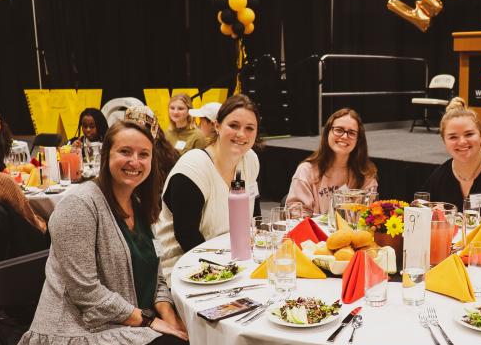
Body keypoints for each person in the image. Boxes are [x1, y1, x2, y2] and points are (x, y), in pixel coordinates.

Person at [14, 120, 192, 345]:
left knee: (190, 343)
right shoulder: (80, 204)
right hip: (73, 343)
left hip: (120, 328)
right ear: (106, 154)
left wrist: (170, 319)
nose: (135, 161)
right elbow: (85, 292)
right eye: (125, 152)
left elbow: (155, 276)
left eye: (143, 154)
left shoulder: (141, 205)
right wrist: (151, 322)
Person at [156, 94, 261, 279]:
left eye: (249, 128)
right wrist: (227, 274)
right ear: (217, 125)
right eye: (234, 125)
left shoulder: (250, 160)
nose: (241, 134)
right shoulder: (194, 167)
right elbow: (186, 236)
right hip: (184, 268)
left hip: (232, 262)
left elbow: (253, 215)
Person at [286, 108, 378, 216]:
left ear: (358, 140)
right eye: (339, 130)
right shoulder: (306, 171)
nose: (344, 136)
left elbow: (367, 218)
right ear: (327, 133)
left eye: (351, 133)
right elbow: (295, 215)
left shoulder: (366, 175)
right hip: (314, 232)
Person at [124, 105, 179, 191]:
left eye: (141, 128)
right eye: (131, 128)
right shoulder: (122, 149)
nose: (136, 134)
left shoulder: (167, 155)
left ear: (152, 127)